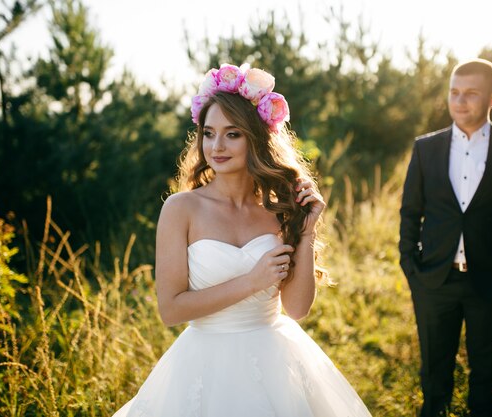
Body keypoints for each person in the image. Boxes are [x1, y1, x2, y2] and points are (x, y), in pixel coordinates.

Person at [112, 63, 372, 417]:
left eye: (232, 134)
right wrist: (251, 282)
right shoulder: (181, 208)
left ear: (257, 138)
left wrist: (307, 232)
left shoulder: (281, 209)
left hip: (276, 358)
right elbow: (170, 309)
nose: (216, 146)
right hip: (203, 364)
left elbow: (296, 310)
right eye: (208, 133)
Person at [399, 58, 492, 417]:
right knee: (434, 380)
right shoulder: (426, 148)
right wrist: (411, 268)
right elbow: (410, 213)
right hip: (435, 280)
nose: (460, 101)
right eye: (454, 92)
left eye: (471, 93)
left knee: (488, 380)